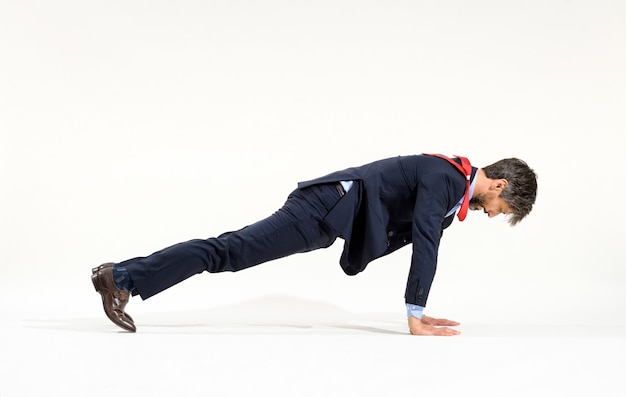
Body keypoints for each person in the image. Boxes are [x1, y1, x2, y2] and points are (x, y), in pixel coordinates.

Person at [91, 153, 537, 336]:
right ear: (498, 184)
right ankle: (121, 277)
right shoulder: (446, 179)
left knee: (228, 250)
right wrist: (415, 313)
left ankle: (122, 273)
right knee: (227, 252)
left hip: (328, 217)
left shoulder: (451, 192)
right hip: (322, 208)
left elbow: (420, 234)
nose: (496, 215)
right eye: (503, 207)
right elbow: (424, 243)